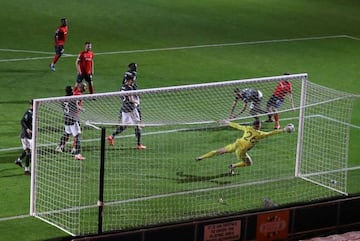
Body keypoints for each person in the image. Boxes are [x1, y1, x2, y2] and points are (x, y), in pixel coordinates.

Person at [195, 119, 294, 175]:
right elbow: (272, 133)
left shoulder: (247, 128)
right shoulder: (260, 134)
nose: (260, 126)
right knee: (249, 163)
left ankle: (201, 157)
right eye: (259, 125)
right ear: (258, 126)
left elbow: (238, 126)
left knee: (219, 151)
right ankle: (233, 166)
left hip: (237, 143)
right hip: (241, 151)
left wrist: (228, 122)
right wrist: (284, 130)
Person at [107, 73, 146, 150]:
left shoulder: (122, 87)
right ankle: (139, 144)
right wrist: (136, 101)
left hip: (124, 109)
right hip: (131, 109)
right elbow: (131, 99)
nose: (133, 81)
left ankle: (111, 136)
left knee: (124, 126)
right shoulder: (129, 88)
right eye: (132, 80)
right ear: (129, 80)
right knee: (138, 125)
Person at [55, 86, 85, 160]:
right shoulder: (72, 99)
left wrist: (80, 108)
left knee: (67, 133)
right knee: (77, 135)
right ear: (69, 91)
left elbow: (67, 107)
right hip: (73, 120)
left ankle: (59, 146)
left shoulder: (63, 99)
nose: (72, 91)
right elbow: (75, 109)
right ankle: (77, 154)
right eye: (71, 90)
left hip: (66, 119)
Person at [15, 100, 33, 175]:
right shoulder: (28, 113)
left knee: (28, 151)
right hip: (27, 136)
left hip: (27, 135)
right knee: (29, 152)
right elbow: (22, 121)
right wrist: (27, 129)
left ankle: (19, 160)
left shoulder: (34, 112)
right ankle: (26, 170)